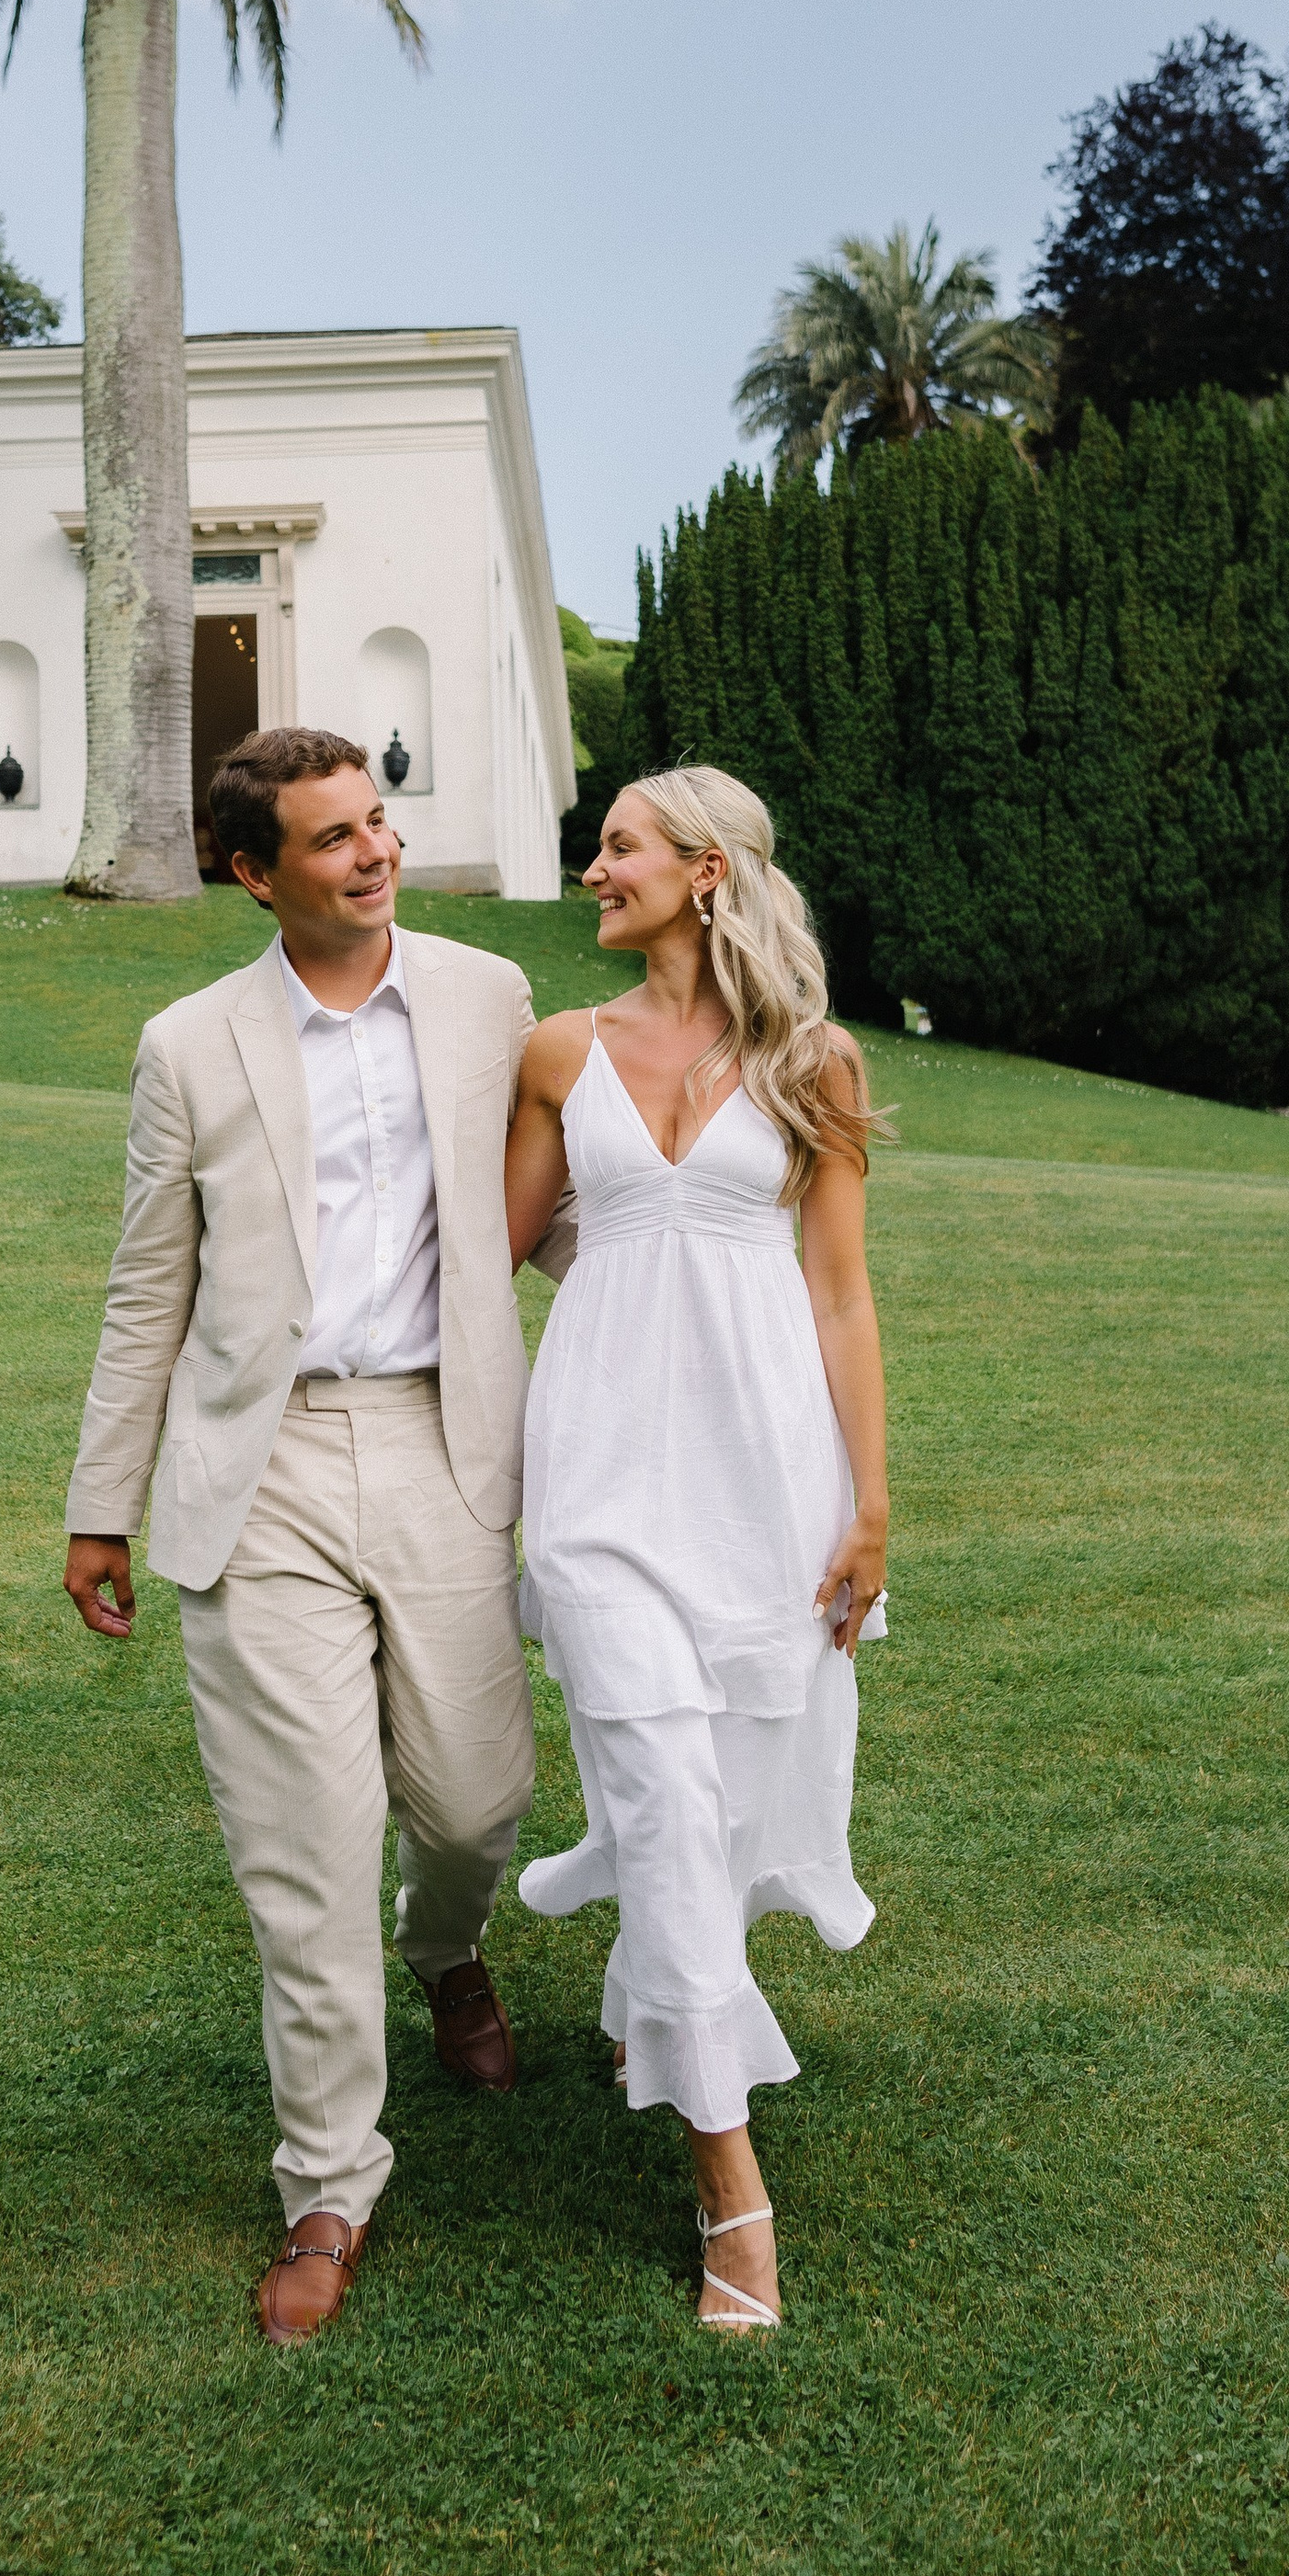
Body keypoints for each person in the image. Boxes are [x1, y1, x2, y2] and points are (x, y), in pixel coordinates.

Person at [63, 726, 576, 2346]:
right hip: (258, 1467)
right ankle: (328, 2188)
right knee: (306, 1854)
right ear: (251, 873)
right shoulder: (189, 1044)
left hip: (442, 1437)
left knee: (476, 1797)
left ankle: (450, 1949)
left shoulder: (491, 998)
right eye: (333, 837)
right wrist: (102, 1502)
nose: (372, 851)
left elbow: (561, 1201)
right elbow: (153, 1280)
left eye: (379, 822)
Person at [504, 763, 891, 2333]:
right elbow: (511, 1232)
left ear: (709, 871)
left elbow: (842, 1293)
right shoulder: (555, 1053)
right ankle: (731, 2180)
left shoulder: (817, 1063)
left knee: (722, 1787)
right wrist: (633, 1284)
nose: (593, 870)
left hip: (766, 1473)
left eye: (620, 849)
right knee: (656, 1774)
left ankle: (647, 1995)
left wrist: (870, 1504)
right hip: (597, 1472)